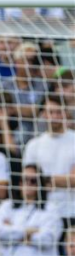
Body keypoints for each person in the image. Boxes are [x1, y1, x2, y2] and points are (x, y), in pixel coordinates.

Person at [0, 165, 63, 256]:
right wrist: (29, 232)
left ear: (40, 184)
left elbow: (47, 240)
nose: (28, 184)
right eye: (24, 180)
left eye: (33, 181)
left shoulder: (51, 209)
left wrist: (12, 230)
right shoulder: (6, 206)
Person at [22, 95, 75, 233]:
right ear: (44, 114)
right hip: (43, 212)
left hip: (72, 210)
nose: (55, 116)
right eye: (51, 112)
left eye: (58, 112)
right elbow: (29, 180)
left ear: (66, 113)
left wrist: (45, 179)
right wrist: (64, 180)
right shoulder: (33, 145)